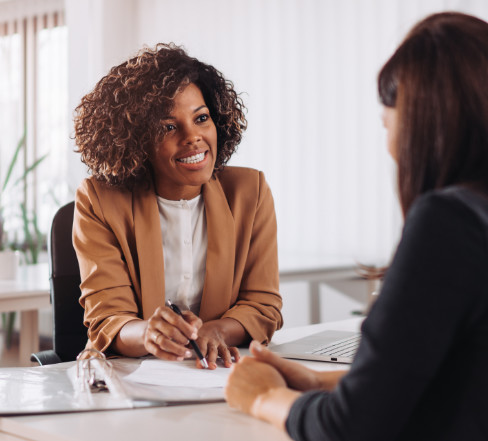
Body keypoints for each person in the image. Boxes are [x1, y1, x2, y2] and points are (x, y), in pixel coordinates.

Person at [225, 11, 488, 440]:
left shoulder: (450, 223)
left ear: (424, 123)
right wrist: (316, 382)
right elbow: (459, 380)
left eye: (387, 123)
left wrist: (262, 398)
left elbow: (352, 429)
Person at [72, 43, 283, 370]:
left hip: (217, 375)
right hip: (129, 380)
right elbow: (108, 318)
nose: (193, 137)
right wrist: (148, 334)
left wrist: (217, 331)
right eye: (168, 127)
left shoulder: (249, 192)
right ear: (137, 140)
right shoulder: (99, 200)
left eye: (201, 118)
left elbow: (262, 305)